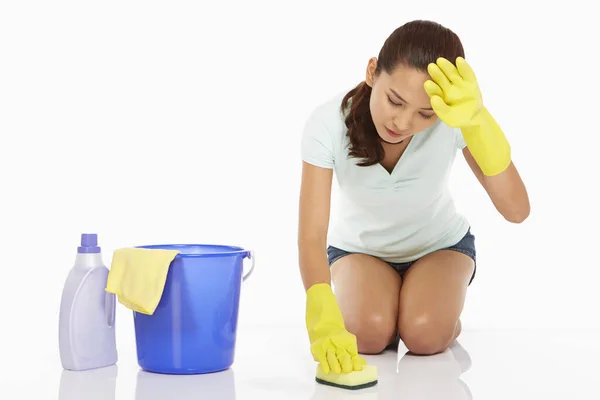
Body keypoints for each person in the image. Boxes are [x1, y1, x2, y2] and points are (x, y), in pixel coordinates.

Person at [297, 19, 530, 375]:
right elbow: (312, 234)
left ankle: (427, 312)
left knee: (424, 335)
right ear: (373, 71)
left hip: (439, 248)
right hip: (359, 251)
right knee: (366, 335)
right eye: (395, 100)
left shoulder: (456, 119)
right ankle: (394, 310)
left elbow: (516, 209)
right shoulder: (328, 123)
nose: (403, 122)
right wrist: (319, 306)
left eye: (425, 113)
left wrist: (477, 121)